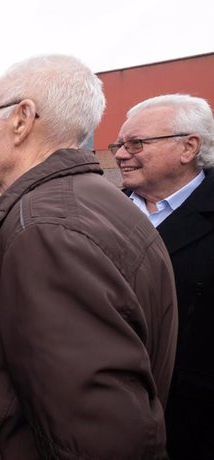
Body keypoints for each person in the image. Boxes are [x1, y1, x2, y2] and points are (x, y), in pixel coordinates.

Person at [0, 55, 179, 459]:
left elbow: (99, 436)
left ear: (22, 120)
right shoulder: (86, 202)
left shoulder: (46, 228)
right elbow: (7, 305)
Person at [111, 94, 214, 460]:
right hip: (104, 415)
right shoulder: (102, 210)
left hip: (190, 423)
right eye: (119, 144)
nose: (121, 154)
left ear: (188, 147)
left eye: (136, 143)